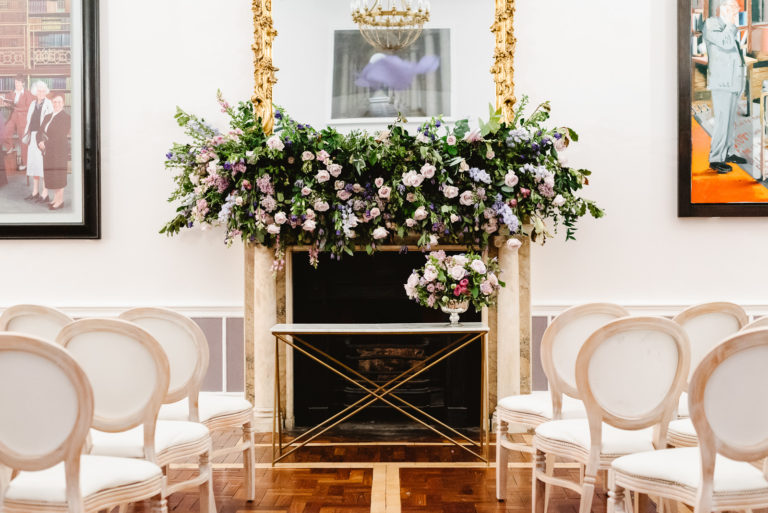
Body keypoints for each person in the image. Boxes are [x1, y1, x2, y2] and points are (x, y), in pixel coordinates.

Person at [704, 0, 748, 174]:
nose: (736, 11)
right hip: (722, 81)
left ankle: (728, 152)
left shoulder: (729, 25)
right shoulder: (711, 24)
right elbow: (726, 43)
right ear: (723, 7)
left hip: (734, 81)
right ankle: (715, 158)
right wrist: (730, 24)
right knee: (722, 121)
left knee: (730, 121)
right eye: (733, 7)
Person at [37, 96, 70, 210]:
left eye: (59, 102)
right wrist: (40, 142)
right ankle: (56, 199)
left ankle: (60, 201)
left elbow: (60, 136)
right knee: (52, 175)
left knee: (59, 175)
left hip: (59, 150)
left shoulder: (66, 117)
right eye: (54, 102)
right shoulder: (47, 116)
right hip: (47, 151)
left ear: (63, 103)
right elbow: (40, 131)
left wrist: (46, 144)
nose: (56, 104)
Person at [22, 81, 53, 202]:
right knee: (35, 164)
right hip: (33, 136)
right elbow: (28, 121)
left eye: (43, 90)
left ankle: (45, 194)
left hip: (43, 137)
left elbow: (50, 122)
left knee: (43, 165)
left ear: (46, 92)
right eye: (39, 91)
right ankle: (35, 192)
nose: (41, 93)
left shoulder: (49, 104)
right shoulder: (32, 104)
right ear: (35, 92)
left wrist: (44, 139)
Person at [1, 74, 34, 172]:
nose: (16, 85)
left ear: (23, 83)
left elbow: (29, 108)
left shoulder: (28, 94)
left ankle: (25, 163)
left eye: (18, 83)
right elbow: (8, 106)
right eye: (15, 83)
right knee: (5, 132)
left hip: (23, 119)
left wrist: (17, 108)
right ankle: (10, 147)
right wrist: (6, 103)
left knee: (23, 141)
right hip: (13, 117)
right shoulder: (11, 93)